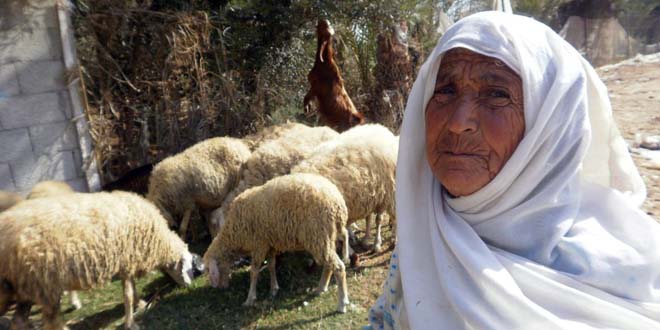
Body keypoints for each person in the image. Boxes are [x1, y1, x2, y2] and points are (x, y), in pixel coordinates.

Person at [367, 11, 660, 329]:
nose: (457, 122)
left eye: (496, 94)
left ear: (550, 125)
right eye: (446, 90)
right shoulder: (426, 229)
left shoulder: (629, 275)